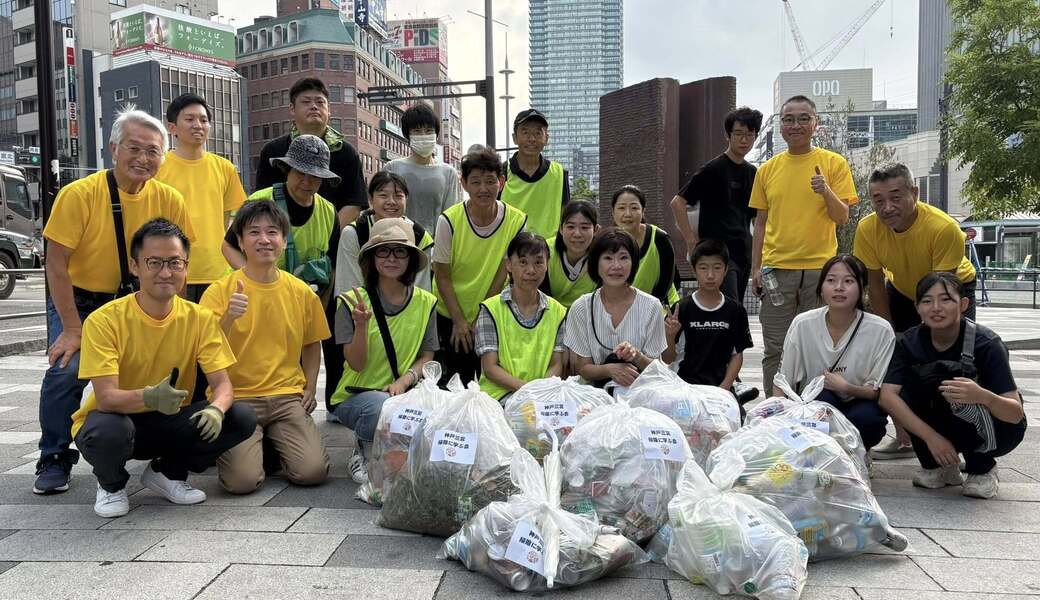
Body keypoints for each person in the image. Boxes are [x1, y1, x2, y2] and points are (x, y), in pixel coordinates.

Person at [34, 107, 195, 495]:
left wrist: (177, 316)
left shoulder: (169, 198)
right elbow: (56, 264)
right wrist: (72, 329)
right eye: (133, 148)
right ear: (113, 149)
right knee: (67, 368)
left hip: (139, 299)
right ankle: (54, 456)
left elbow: (177, 263)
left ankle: (161, 449)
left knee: (173, 363)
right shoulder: (79, 194)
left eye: (153, 151)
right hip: (81, 300)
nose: (143, 158)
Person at [73, 219, 255, 517]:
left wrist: (217, 409)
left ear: (186, 266)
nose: (166, 272)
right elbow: (105, 398)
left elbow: (223, 385)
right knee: (107, 431)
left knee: (241, 417)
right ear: (135, 266)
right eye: (154, 262)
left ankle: (168, 473)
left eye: (174, 262)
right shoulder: (104, 320)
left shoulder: (200, 318)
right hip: (118, 419)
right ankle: (111, 484)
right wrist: (148, 397)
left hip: (170, 419)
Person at [202, 202, 331, 494]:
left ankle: (269, 446)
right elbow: (207, 351)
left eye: (272, 232)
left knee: (312, 472)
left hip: (286, 397)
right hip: (238, 399)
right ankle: (256, 449)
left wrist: (310, 387)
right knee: (241, 482)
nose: (264, 239)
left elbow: (312, 342)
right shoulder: (219, 291)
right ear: (240, 241)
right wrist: (229, 317)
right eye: (254, 232)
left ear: (284, 241)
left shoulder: (300, 292)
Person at [855, 162, 978, 459]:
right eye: (878, 200)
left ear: (915, 192)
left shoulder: (943, 228)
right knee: (892, 360)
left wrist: (923, 338)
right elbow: (874, 282)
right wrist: (889, 333)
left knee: (951, 363)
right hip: (902, 289)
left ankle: (967, 447)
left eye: (896, 197)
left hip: (950, 289)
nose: (887, 207)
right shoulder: (868, 228)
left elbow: (941, 293)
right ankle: (906, 439)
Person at [224, 134, 343, 416]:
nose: (307, 182)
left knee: (294, 372)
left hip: (298, 307)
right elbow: (228, 246)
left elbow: (332, 264)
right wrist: (254, 280)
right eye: (301, 173)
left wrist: (318, 306)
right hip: (253, 302)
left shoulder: (328, 212)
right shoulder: (260, 201)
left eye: (315, 176)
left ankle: (292, 417)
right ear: (287, 169)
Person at [880, 272, 1026, 499]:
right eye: (927, 301)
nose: (936, 308)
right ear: (917, 307)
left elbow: (1015, 414)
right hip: (938, 422)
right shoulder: (908, 342)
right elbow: (887, 396)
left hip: (994, 427)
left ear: (964, 304)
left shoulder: (987, 344)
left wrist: (982, 396)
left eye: (946, 299)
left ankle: (982, 468)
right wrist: (931, 437)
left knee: (961, 391)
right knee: (905, 391)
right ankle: (939, 466)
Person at [749, 94, 858, 393]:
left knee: (818, 346)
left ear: (815, 124)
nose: (795, 125)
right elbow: (760, 223)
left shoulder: (833, 163)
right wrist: (756, 268)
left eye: (803, 119)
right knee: (775, 347)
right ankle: (775, 408)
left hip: (819, 271)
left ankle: (812, 407)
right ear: (780, 126)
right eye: (788, 119)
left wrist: (826, 191)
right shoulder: (767, 170)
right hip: (776, 270)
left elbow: (842, 217)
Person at [329, 218, 437, 484]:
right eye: (383, 251)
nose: (391, 258)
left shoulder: (427, 302)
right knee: (381, 406)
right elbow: (356, 363)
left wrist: (404, 381)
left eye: (400, 251)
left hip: (404, 392)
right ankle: (364, 450)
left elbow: (427, 356)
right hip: (358, 396)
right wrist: (361, 326)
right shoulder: (351, 302)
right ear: (372, 258)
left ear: (411, 258)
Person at [776, 254, 894, 451]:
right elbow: (782, 381)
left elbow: (877, 391)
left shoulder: (881, 330)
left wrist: (846, 387)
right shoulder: (802, 324)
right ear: (821, 288)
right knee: (821, 403)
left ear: (863, 289)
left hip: (861, 401)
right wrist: (777, 419)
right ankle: (821, 454)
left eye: (848, 281)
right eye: (831, 280)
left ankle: (858, 454)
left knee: (867, 419)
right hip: (818, 400)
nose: (839, 287)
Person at [433, 146, 527, 384]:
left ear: (501, 182)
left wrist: (482, 317)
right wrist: (459, 321)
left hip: (492, 311)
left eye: (490, 181)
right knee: (456, 385)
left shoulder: (516, 221)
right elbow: (441, 275)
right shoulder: (449, 220)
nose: (483, 189)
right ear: (464, 183)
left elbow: (503, 274)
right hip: (451, 312)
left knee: (493, 383)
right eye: (475, 182)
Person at [156, 93, 247, 302]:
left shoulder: (224, 168)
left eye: (203, 120)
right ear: (172, 128)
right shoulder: (159, 168)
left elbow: (230, 219)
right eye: (189, 119)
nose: (198, 125)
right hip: (170, 270)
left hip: (217, 270)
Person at [670, 106, 763, 303]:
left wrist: (758, 262)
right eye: (738, 134)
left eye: (750, 135)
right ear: (728, 135)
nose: (744, 140)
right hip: (716, 253)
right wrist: (691, 242)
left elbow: (758, 219)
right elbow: (677, 203)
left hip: (743, 253)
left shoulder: (753, 173)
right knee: (729, 306)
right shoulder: (713, 169)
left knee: (734, 308)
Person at [564, 228, 672, 395]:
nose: (616, 266)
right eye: (608, 258)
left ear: (634, 263)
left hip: (640, 394)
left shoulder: (652, 306)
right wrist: (610, 370)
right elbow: (583, 369)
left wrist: (636, 356)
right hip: (594, 396)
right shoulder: (581, 307)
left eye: (623, 258)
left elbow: (656, 369)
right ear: (596, 263)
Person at [254, 77, 367, 228]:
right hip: (280, 235)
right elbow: (263, 202)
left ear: (329, 110)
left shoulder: (347, 153)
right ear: (292, 109)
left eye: (320, 102)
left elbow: (354, 203)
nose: (314, 106)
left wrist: (330, 234)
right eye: (306, 102)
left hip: (331, 236)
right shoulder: (273, 151)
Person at [476, 232, 567, 402]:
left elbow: (556, 364)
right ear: (509, 265)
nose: (531, 270)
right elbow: (490, 367)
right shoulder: (490, 309)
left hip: (543, 397)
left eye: (538, 262)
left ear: (547, 265)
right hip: (498, 398)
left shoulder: (558, 311)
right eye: (523, 262)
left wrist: (538, 394)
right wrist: (527, 391)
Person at [670, 239, 756, 402]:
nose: (710, 275)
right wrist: (669, 335)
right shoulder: (681, 308)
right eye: (703, 268)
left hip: (720, 388)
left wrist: (723, 390)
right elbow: (667, 358)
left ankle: (737, 394)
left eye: (717, 268)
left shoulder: (735, 310)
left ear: (725, 270)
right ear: (694, 270)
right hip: (684, 388)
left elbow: (737, 355)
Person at [336, 171, 434, 296]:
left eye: (398, 196)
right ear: (370, 199)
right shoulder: (354, 233)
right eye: (383, 195)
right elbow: (347, 286)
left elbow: (421, 291)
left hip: (407, 306)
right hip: (362, 306)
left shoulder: (419, 236)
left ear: (406, 199)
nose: (391, 201)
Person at [385, 103, 461, 235]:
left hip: (436, 243)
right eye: (417, 131)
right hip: (399, 240)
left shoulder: (448, 173)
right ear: (407, 135)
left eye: (429, 131)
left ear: (436, 134)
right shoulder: (392, 168)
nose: (423, 135)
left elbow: (452, 217)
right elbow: (383, 210)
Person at [500, 108, 570, 239]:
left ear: (546, 138)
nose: (532, 139)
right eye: (525, 132)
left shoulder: (559, 173)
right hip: (511, 248)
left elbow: (565, 216)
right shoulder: (502, 171)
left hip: (548, 250)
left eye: (538, 133)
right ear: (514, 138)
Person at [611, 185, 680, 307]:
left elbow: (666, 284)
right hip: (621, 309)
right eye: (621, 208)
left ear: (643, 211)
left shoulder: (659, 238)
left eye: (634, 208)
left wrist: (643, 311)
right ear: (613, 212)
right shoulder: (606, 243)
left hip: (661, 308)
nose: (627, 214)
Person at [541, 200, 598, 308]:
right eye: (571, 227)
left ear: (595, 230)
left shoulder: (602, 256)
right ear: (561, 229)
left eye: (584, 227)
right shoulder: (544, 251)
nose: (577, 234)